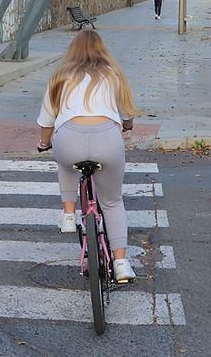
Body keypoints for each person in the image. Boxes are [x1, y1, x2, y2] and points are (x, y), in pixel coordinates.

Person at [36, 30, 140, 283]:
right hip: (108, 140)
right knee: (113, 202)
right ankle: (121, 261)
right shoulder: (113, 75)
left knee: (64, 161)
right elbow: (127, 113)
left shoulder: (59, 77)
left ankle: (69, 214)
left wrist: (44, 143)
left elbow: (47, 121)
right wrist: (126, 127)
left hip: (69, 138)